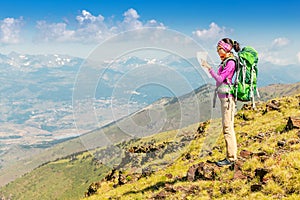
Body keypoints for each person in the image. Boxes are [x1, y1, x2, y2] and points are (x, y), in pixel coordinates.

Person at [201, 38, 240, 167]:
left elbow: (220, 78)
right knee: (228, 127)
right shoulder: (226, 62)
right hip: (225, 98)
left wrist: (209, 68)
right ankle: (231, 156)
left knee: (227, 127)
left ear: (227, 48)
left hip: (227, 99)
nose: (218, 52)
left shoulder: (230, 63)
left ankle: (231, 158)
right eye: (217, 50)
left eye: (220, 49)